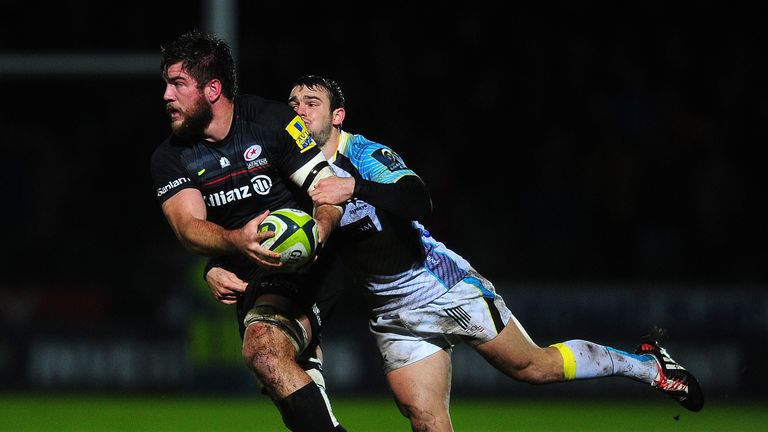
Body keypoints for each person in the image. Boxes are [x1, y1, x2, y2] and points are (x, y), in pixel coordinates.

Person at [208, 75, 704, 431]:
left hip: (442, 285)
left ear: (337, 116)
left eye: (310, 102)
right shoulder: (295, 175)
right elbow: (259, 222)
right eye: (292, 102)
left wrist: (354, 187)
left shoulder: (363, 153)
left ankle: (650, 367)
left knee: (533, 368)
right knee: (426, 419)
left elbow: (416, 198)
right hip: (392, 313)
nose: (297, 110)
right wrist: (220, 264)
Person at [150, 32, 347, 432]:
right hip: (251, 275)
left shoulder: (272, 122)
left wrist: (317, 233)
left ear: (213, 89)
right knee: (280, 374)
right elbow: (188, 228)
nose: (166, 96)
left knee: (263, 350)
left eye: (178, 84)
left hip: (308, 263)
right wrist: (232, 245)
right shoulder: (170, 157)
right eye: (166, 84)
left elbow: (327, 192)